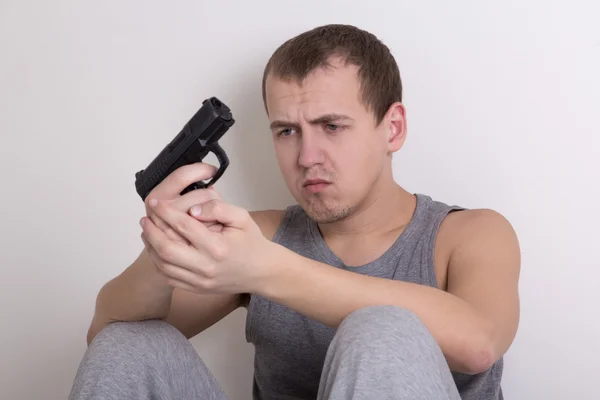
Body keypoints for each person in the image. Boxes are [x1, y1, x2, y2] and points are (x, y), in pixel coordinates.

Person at [70, 24, 521, 400]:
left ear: (393, 128)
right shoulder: (259, 235)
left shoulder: (470, 234)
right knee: (126, 345)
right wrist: (165, 248)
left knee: (383, 330)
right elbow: (107, 332)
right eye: (287, 131)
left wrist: (265, 270)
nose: (307, 156)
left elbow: (479, 342)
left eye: (331, 126)